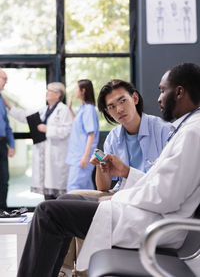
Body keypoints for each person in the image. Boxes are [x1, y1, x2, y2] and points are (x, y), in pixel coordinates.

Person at [17, 63, 200, 277]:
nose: (159, 98)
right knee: (65, 200)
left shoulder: (189, 132)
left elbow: (165, 196)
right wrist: (123, 172)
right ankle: (58, 272)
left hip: (155, 220)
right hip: (145, 206)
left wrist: (117, 198)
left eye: (162, 90)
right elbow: (156, 184)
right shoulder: (183, 129)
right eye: (111, 107)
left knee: (47, 214)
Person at [60, 79, 171, 277]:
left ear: (134, 98)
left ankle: (84, 271)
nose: (118, 109)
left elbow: (163, 185)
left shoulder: (162, 130)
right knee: (68, 199)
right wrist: (101, 167)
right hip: (119, 192)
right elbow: (103, 187)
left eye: (122, 101)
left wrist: (122, 185)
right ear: (107, 112)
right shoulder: (114, 137)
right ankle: (65, 270)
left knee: (90, 210)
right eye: (111, 106)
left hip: (145, 198)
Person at [4, 82, 73, 200]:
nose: (47, 93)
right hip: (45, 154)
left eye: (50, 91)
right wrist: (9, 106)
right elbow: (26, 116)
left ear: (58, 94)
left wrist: (47, 129)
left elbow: (67, 130)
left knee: (59, 193)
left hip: (56, 155)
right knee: (47, 191)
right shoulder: (44, 110)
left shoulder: (64, 110)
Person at [65, 79, 99, 192]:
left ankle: (75, 210)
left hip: (81, 156)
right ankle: (94, 209)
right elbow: (79, 126)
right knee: (86, 188)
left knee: (73, 188)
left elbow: (91, 134)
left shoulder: (89, 109)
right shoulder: (83, 109)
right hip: (78, 155)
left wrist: (85, 156)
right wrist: (70, 109)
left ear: (83, 91)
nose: (75, 91)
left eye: (76, 88)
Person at [0, 69, 15, 210]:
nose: (6, 82)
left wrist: (12, 145)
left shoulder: (1, 100)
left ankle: (2, 210)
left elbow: (7, 125)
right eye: (4, 78)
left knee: (4, 179)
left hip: (2, 144)